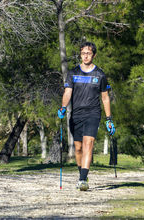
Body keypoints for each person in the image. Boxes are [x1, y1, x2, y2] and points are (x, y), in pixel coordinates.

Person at [58, 41, 115, 191]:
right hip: (76, 114)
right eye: (83, 53)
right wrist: (63, 108)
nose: (85, 56)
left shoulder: (100, 75)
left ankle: (83, 180)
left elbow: (105, 98)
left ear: (94, 55)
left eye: (88, 53)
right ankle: (82, 174)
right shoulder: (73, 73)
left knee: (88, 143)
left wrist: (109, 119)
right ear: (80, 54)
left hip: (93, 113)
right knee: (78, 148)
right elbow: (68, 92)